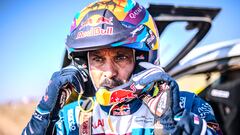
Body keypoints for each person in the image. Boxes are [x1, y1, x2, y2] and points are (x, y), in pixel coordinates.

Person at [22, 0, 222, 134]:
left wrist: (177, 123)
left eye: (120, 57)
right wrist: (44, 114)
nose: (109, 72)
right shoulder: (70, 118)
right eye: (98, 59)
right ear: (84, 64)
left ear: (144, 59)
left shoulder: (188, 105)